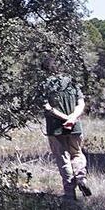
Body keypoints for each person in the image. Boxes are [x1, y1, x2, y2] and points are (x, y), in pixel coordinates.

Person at [39, 60, 92, 200]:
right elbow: (81, 103)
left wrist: (64, 118)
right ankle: (81, 178)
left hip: (55, 129)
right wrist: (72, 118)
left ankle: (70, 194)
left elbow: (47, 107)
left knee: (63, 159)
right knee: (77, 153)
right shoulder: (71, 82)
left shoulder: (45, 85)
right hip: (74, 127)